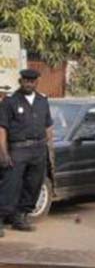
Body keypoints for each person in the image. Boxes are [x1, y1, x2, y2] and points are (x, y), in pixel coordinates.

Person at [0, 69, 54, 237]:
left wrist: (48, 150)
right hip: (18, 149)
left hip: (38, 149)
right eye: (25, 81)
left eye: (32, 81)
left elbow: (48, 127)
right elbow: (2, 128)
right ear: (20, 81)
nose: (28, 84)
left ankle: (20, 218)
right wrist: (3, 152)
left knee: (33, 185)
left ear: (36, 82)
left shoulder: (42, 100)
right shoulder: (10, 101)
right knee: (11, 186)